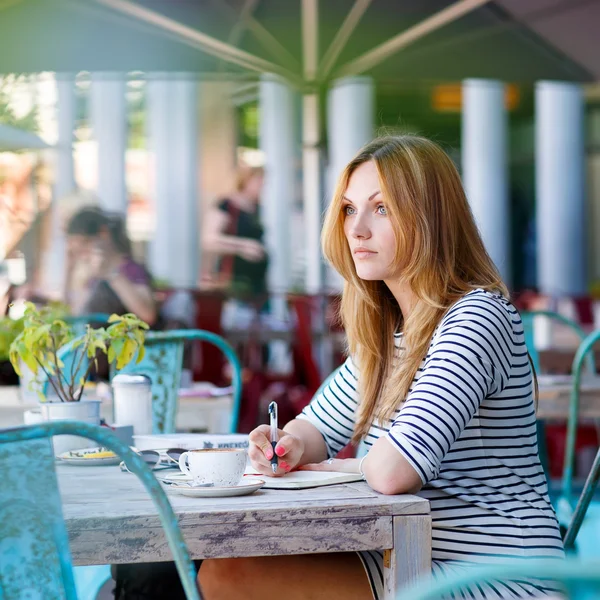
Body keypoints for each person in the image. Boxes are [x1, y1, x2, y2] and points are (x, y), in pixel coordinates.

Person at [198, 136, 565, 599]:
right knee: (223, 565)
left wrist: (330, 467)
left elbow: (393, 472)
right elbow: (315, 427)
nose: (357, 229)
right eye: (350, 209)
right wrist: (286, 443)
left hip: (486, 577)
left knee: (230, 575)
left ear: (430, 218)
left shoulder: (476, 317)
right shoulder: (391, 330)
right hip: (400, 553)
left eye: (382, 209)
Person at [65, 207, 157, 326]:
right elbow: (75, 313)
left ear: (104, 234)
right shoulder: (93, 277)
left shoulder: (131, 270)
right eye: (77, 251)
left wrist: (111, 273)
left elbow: (147, 315)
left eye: (85, 244)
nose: (83, 255)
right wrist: (69, 270)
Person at [202, 164, 268, 309]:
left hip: (257, 287)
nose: (262, 186)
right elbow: (209, 239)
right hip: (233, 286)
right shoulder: (226, 205)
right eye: (259, 181)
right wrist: (243, 246)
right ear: (246, 181)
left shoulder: (257, 208)